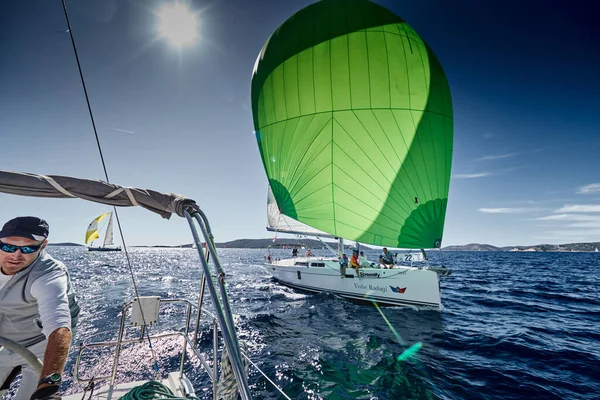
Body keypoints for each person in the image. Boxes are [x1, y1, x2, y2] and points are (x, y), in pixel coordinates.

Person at [0, 217, 80, 400]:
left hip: (42, 342)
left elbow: (58, 327)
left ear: (43, 246)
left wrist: (49, 384)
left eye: (28, 248)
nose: (16, 255)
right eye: (9, 247)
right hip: (6, 337)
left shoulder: (49, 275)